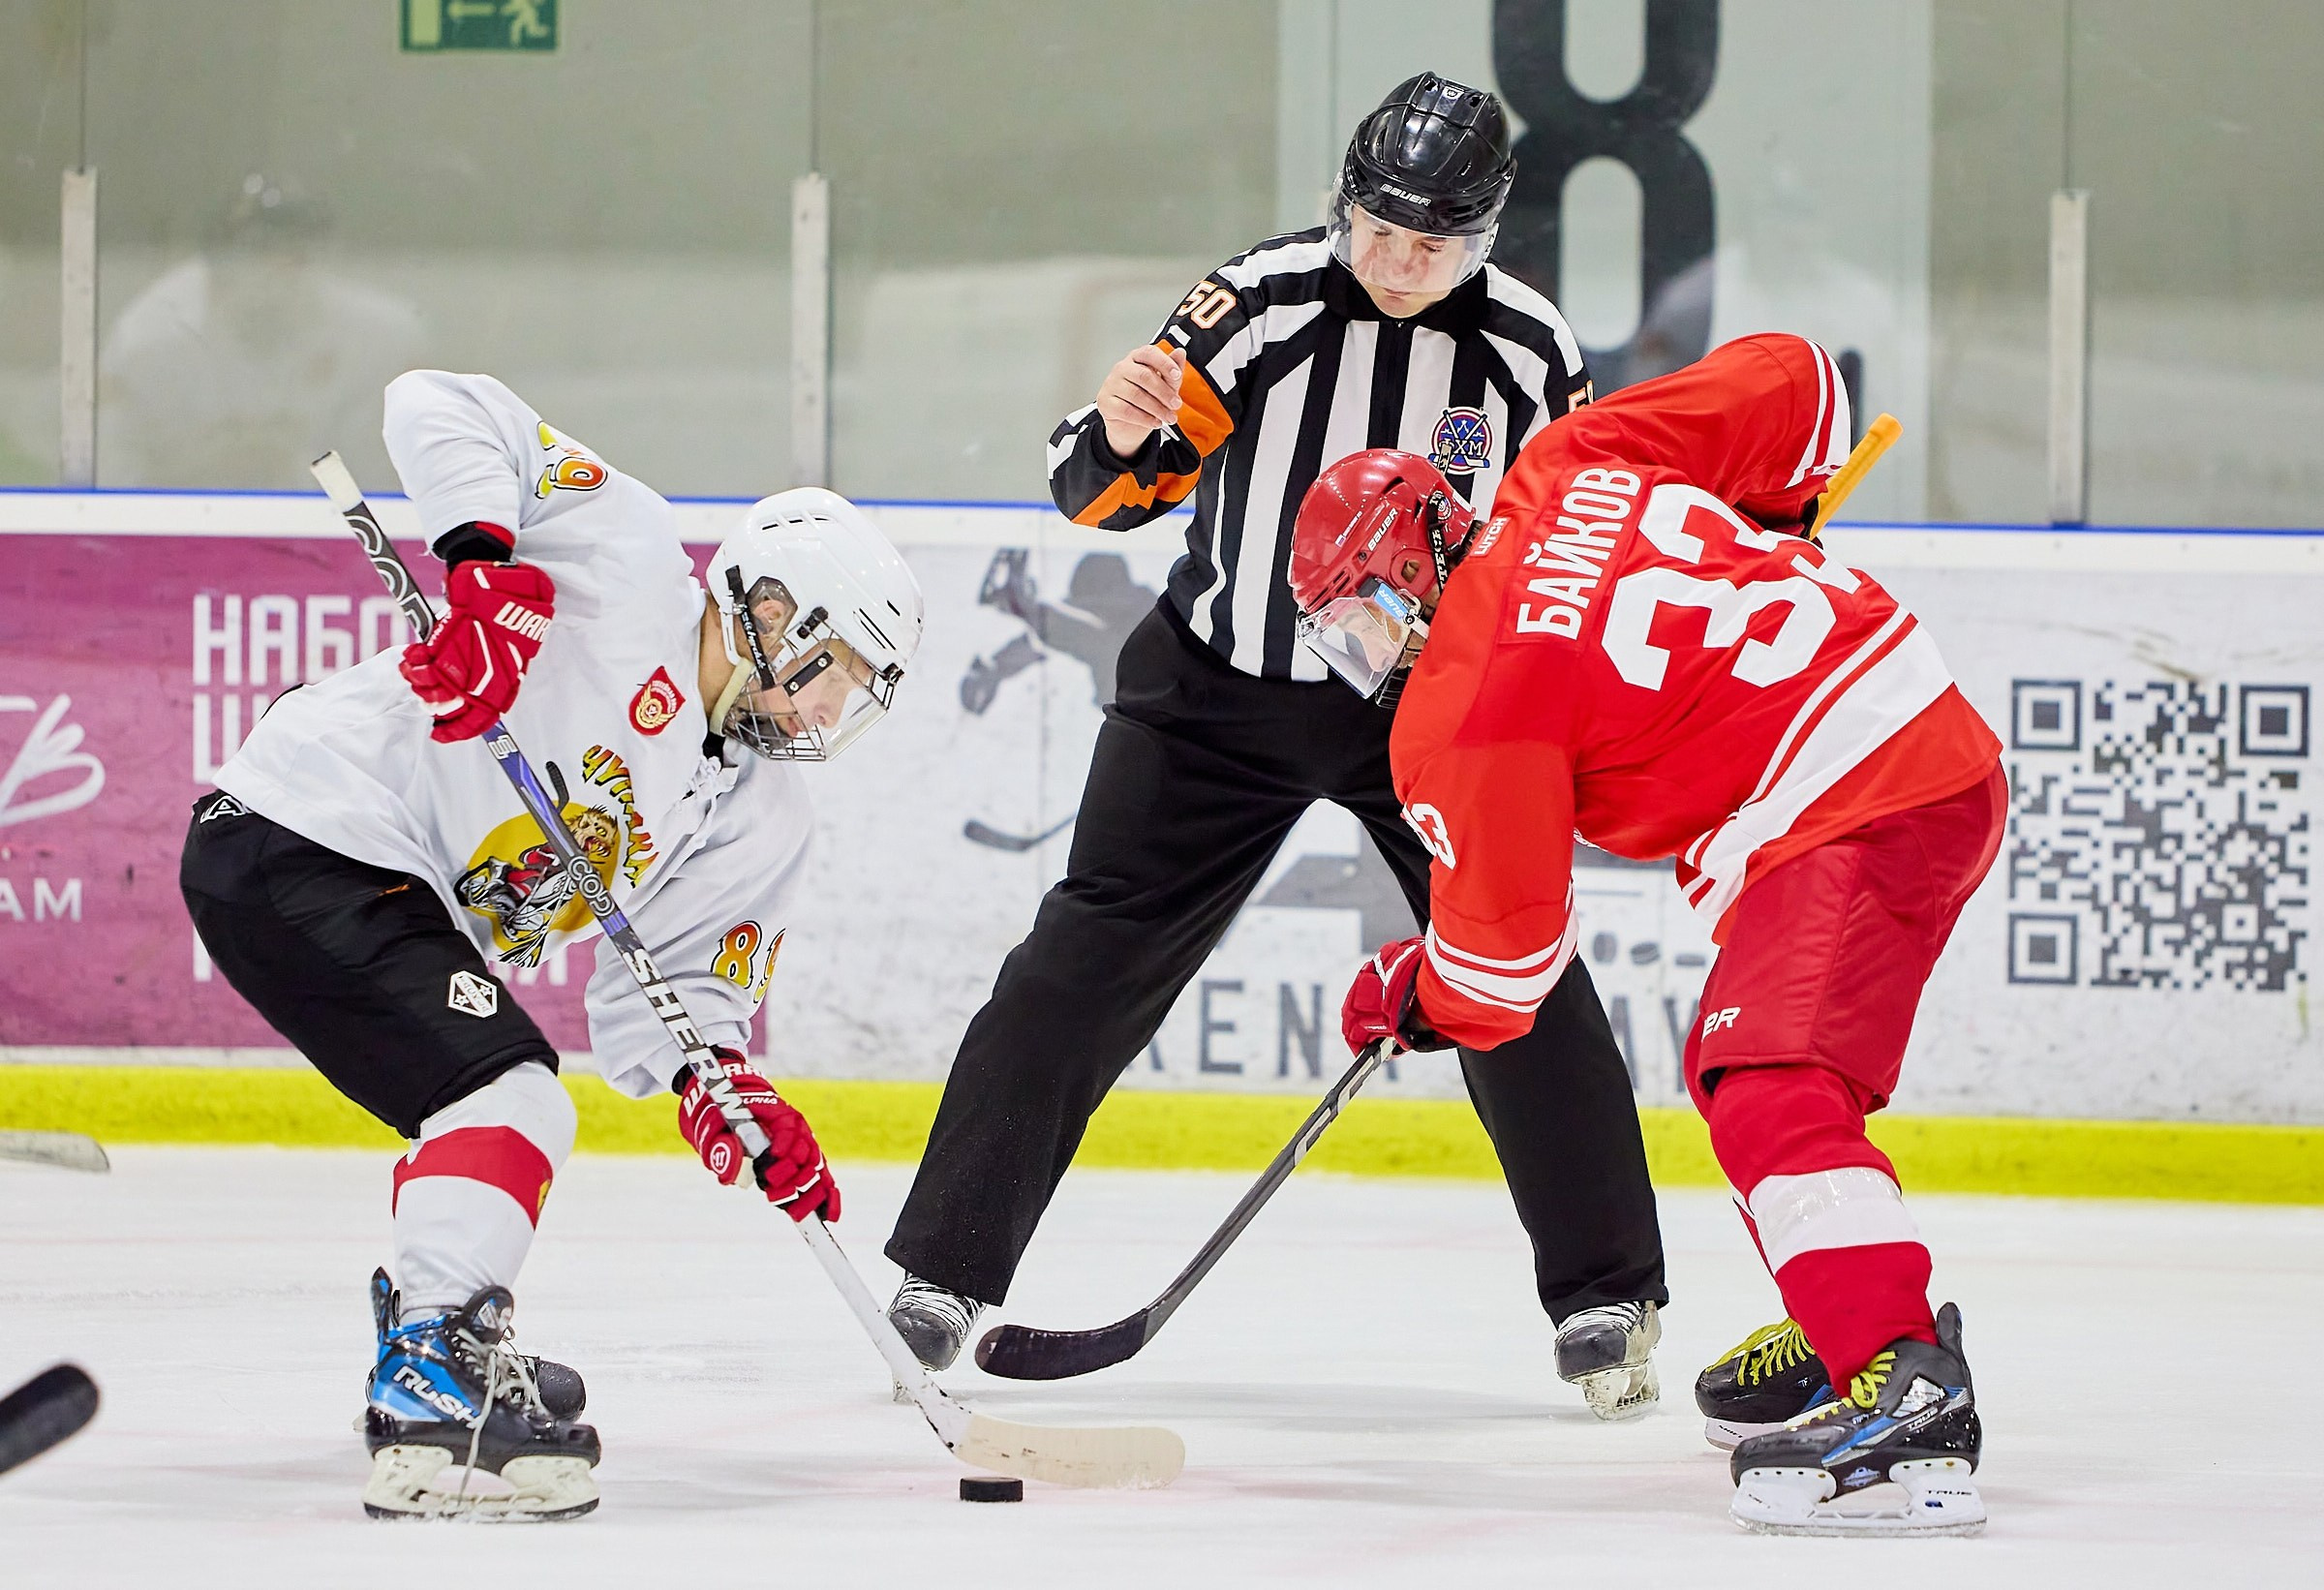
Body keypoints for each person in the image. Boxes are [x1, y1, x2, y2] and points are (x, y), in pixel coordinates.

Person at [884, 73, 1669, 1416]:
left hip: (1425, 715)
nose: (1400, 262)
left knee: (1517, 970)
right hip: (1214, 695)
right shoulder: (1258, 304)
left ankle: (1607, 1295)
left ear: (1483, 238)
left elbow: (1571, 553)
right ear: (1342, 205)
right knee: (1082, 956)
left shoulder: (1532, 356)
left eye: (1433, 243)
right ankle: (945, 1270)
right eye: (1379, 230)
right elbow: (1098, 493)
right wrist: (1123, 432)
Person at [1292, 332, 2003, 1536]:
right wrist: (1775, 519)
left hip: (1853, 794)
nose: (1363, 654)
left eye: (1357, 617)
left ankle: (1904, 1380)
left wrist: (1412, 992)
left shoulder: (1465, 704)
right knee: (1767, 1078)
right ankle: (1850, 1314)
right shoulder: (1569, 459)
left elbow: (1504, 970)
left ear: (1404, 571)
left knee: (1769, 1080)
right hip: (1906, 733)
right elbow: (1799, 380)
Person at [179, 370, 923, 1520]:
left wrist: (719, 1083)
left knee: (492, 1098)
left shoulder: (762, 815)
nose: (832, 715)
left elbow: (663, 1003)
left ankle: (438, 1331)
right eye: (837, 675)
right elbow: (437, 402)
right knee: (513, 1097)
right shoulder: (625, 563)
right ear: (778, 612)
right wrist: (485, 573)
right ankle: (434, 1356)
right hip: (304, 823)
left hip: (382, 886)